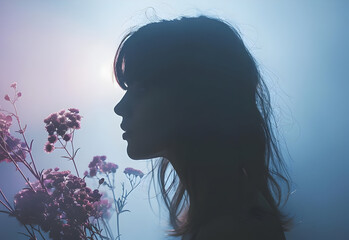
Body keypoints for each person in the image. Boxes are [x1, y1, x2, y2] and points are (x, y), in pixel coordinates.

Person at [113, 15, 292, 240]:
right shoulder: (231, 217)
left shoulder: (233, 230)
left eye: (141, 89)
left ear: (193, 97)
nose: (120, 108)